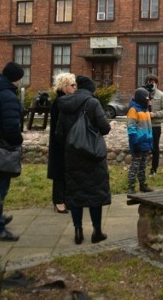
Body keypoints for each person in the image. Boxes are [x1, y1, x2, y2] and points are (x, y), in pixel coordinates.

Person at [56, 75, 111, 245]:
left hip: (72, 156)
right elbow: (105, 128)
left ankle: (78, 231)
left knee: (76, 194)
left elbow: (59, 133)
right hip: (93, 156)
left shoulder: (64, 103)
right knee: (95, 193)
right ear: (91, 90)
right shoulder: (92, 103)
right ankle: (97, 231)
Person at [0, 61, 25, 241]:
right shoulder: (8, 96)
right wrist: (18, 140)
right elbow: (11, 127)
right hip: (3, 148)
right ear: (15, 79)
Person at [47, 72, 76, 214]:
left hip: (66, 142)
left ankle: (64, 199)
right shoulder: (60, 102)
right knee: (59, 172)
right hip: (60, 143)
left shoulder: (65, 100)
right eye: (72, 85)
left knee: (66, 172)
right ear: (64, 86)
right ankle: (59, 201)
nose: (74, 87)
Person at [126, 87, 154, 194]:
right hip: (137, 143)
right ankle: (131, 186)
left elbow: (148, 127)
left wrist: (150, 142)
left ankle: (142, 185)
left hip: (146, 143)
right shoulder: (133, 110)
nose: (149, 101)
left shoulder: (145, 109)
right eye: (147, 99)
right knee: (135, 165)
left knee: (143, 165)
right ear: (141, 99)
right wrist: (135, 143)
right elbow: (131, 128)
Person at [144, 74, 163, 176]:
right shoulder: (144, 94)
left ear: (157, 83)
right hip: (144, 125)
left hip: (155, 125)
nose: (151, 84)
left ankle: (154, 169)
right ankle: (142, 168)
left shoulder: (161, 95)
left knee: (155, 148)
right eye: (149, 82)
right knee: (144, 147)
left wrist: (154, 114)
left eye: (153, 82)